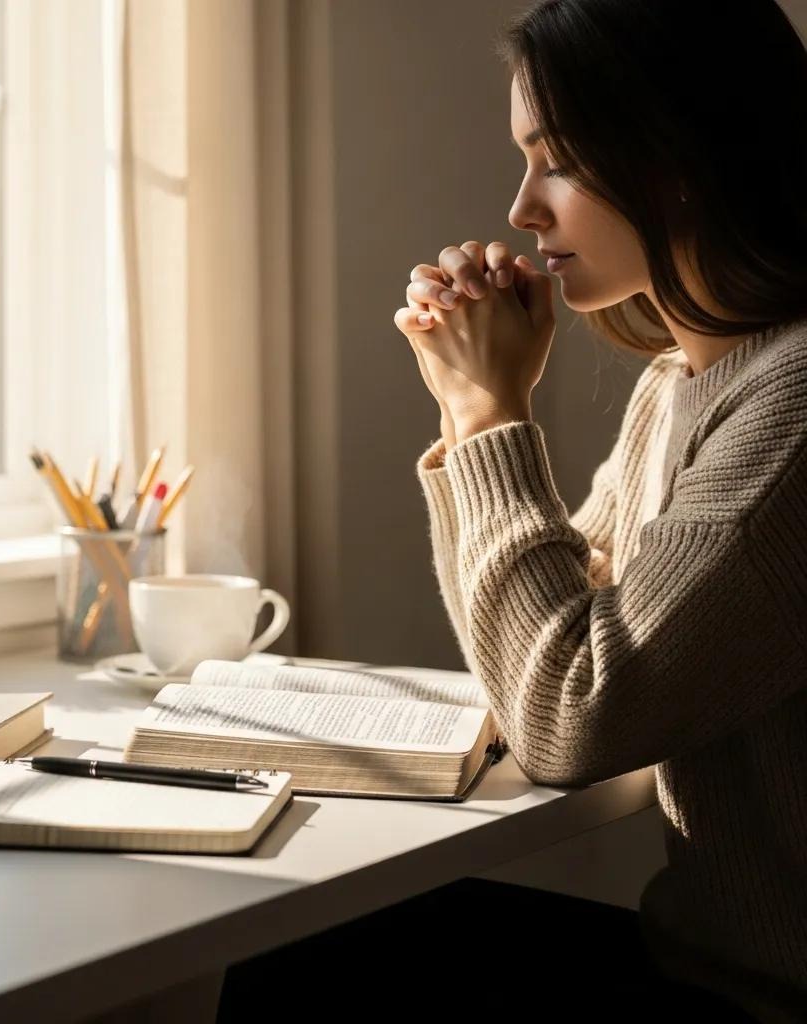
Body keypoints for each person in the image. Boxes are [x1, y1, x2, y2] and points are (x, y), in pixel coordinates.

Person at [217, 1, 807, 1022]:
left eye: (560, 162)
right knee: (291, 939)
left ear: (683, 156)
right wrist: (467, 409)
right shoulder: (683, 384)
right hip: (709, 961)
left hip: (764, 995)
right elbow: (557, 620)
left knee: (295, 964)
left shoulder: (792, 409)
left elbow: (567, 714)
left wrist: (492, 415)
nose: (524, 208)